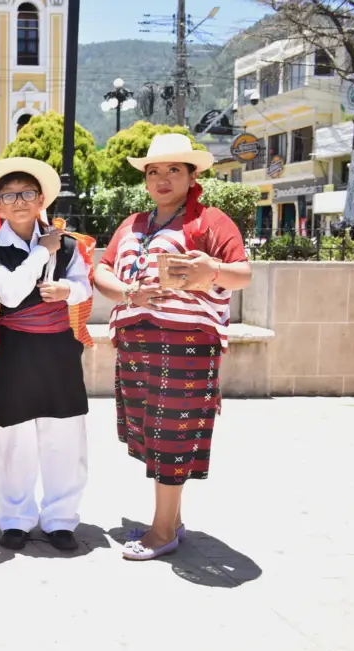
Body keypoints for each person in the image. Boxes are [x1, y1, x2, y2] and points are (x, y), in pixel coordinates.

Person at [92, 134, 252, 561]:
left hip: (185, 348)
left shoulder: (211, 221)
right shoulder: (132, 224)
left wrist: (211, 267)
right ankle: (172, 520)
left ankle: (162, 531)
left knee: (171, 437)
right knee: (154, 434)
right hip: (138, 347)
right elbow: (102, 271)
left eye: (173, 170)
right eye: (153, 172)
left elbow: (242, 274)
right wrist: (130, 294)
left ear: (191, 175)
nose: (162, 179)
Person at [0, 157, 91, 552]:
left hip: (58, 352)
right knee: (13, 438)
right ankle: (15, 518)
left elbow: (85, 285)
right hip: (14, 352)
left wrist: (69, 291)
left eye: (27, 193)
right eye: (9, 195)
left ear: (41, 199)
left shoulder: (68, 246)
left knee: (64, 436)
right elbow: (11, 294)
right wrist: (40, 253)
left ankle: (60, 519)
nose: (19, 201)